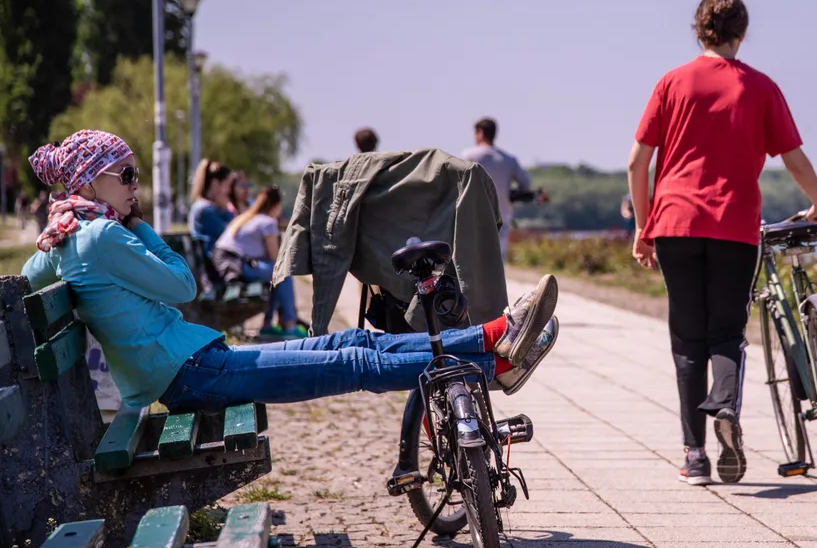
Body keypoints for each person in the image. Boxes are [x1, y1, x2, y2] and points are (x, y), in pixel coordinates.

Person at [21, 129, 561, 417]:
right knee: (354, 361)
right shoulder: (102, 235)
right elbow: (183, 286)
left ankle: (494, 352)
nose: (135, 185)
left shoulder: (70, 236)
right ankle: (492, 346)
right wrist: (139, 226)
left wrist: (68, 231)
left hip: (194, 361)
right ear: (88, 185)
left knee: (355, 341)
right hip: (188, 375)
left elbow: (29, 274)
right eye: (127, 174)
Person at [628, 0, 817, 486]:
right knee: (725, 333)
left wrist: (642, 226)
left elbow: (638, 162)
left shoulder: (671, 83)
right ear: (743, 32)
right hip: (735, 226)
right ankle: (724, 406)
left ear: (699, 30)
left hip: (675, 222)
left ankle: (695, 456)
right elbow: (793, 156)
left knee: (686, 340)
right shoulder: (760, 87)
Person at [214, 185, 304, 339]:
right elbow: (275, 257)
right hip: (235, 266)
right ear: (276, 205)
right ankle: (290, 324)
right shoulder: (267, 222)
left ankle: (268, 325)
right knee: (283, 272)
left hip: (226, 263)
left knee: (276, 276)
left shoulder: (246, 217)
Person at [461, 118, 533, 262]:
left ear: (480, 133)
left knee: (473, 260)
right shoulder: (508, 159)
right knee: (498, 260)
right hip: (501, 216)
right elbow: (526, 183)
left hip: (473, 216)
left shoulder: (468, 156)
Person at [188, 160, 234, 257]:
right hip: (213, 264)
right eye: (228, 185)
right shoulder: (205, 209)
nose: (229, 191)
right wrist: (229, 209)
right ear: (215, 183)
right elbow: (232, 234)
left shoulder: (207, 207)